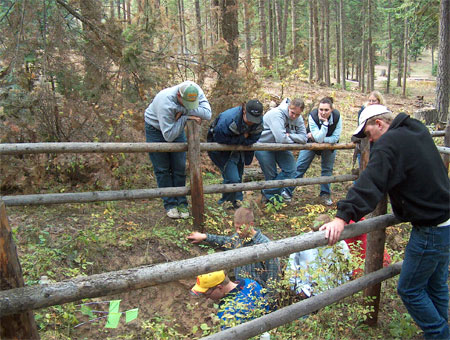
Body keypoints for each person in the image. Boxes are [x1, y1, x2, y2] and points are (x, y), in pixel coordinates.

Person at [320, 104, 450, 340]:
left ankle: (439, 335)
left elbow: (370, 182)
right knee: (436, 283)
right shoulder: (415, 130)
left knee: (409, 289)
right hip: (445, 220)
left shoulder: (390, 143)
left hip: (430, 228)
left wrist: (342, 217)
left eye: (369, 134)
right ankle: (442, 331)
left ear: (379, 124)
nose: (370, 141)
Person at [144, 81, 211, 219]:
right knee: (162, 169)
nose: (188, 106)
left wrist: (183, 112)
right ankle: (170, 204)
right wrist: (186, 117)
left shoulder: (195, 90)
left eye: (191, 103)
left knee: (179, 166)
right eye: (185, 103)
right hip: (155, 129)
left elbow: (207, 113)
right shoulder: (166, 101)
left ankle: (182, 203)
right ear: (179, 95)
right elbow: (168, 136)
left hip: (175, 125)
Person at [187, 207, 280, 289]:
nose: (237, 232)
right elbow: (224, 241)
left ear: (251, 224)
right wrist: (205, 237)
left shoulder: (266, 245)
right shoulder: (237, 239)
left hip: (258, 295)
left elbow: (274, 278)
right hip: (240, 291)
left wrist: (267, 302)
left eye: (240, 228)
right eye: (236, 228)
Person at [207, 100, 264, 208]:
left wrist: (240, 140)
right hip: (221, 151)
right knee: (232, 178)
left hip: (240, 151)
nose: (252, 122)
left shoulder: (259, 122)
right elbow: (220, 138)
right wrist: (243, 137)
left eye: (254, 120)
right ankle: (226, 203)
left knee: (238, 176)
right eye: (250, 119)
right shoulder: (228, 119)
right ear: (244, 111)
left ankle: (237, 202)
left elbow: (254, 139)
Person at [255, 98, 307, 203]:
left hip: (282, 147)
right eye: (292, 113)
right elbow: (281, 138)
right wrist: (293, 140)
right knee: (271, 175)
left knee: (291, 171)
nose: (294, 116)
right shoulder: (277, 114)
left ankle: (266, 193)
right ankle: (272, 202)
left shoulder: (299, 118)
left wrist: (290, 136)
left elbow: (304, 138)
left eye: (297, 114)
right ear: (289, 107)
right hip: (264, 145)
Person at [295, 97, 342, 206]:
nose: (323, 112)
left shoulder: (337, 116)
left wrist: (322, 130)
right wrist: (320, 135)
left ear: (331, 110)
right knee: (300, 166)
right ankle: (287, 191)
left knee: (327, 170)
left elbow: (335, 138)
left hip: (329, 146)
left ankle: (325, 194)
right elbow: (319, 138)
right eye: (321, 109)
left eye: (326, 110)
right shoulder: (313, 116)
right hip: (311, 144)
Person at [191, 270, 269, 329]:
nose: (206, 297)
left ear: (219, 287)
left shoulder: (228, 313)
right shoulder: (251, 283)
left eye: (207, 294)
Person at [354, 91, 386, 166]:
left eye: (374, 101)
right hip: (365, 140)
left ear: (379, 101)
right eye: (370, 100)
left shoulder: (384, 111)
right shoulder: (363, 111)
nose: (371, 103)